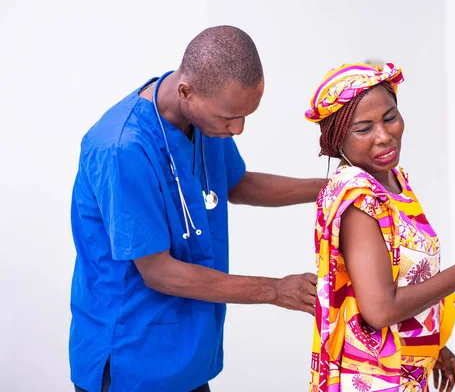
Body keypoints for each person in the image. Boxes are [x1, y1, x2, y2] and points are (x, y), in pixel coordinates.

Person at [69, 25, 326, 392]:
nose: (238, 129)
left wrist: (327, 190)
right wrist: (274, 290)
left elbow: (235, 182)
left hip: (187, 354)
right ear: (186, 92)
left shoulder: (202, 120)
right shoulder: (122, 148)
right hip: (132, 358)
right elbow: (160, 274)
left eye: (245, 116)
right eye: (228, 118)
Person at [303, 63, 455, 392]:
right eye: (363, 128)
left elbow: (401, 276)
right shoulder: (360, 200)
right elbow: (380, 309)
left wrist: (433, 346)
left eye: (389, 118)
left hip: (403, 372)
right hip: (374, 380)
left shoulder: (393, 181)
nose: (384, 136)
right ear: (337, 139)